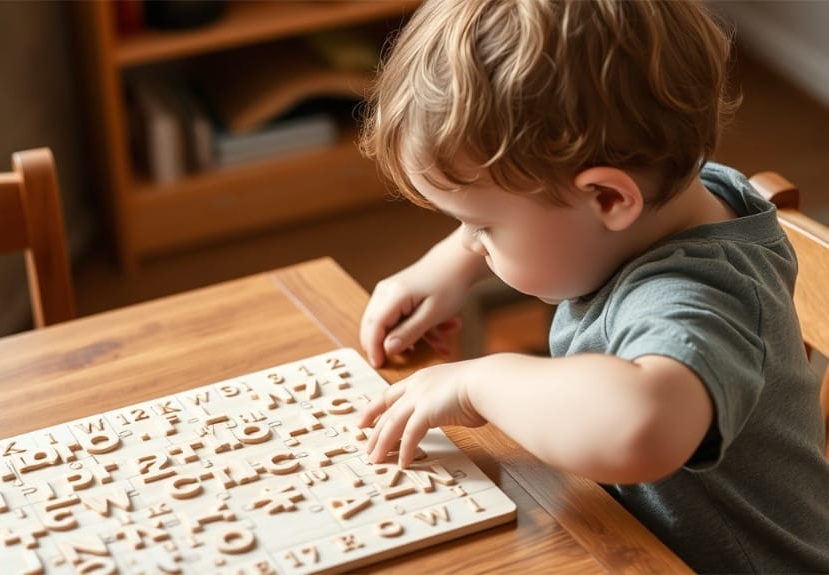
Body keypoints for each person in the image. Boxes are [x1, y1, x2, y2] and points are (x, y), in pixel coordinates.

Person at [354, 0, 829, 572]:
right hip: (629, 538)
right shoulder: (679, 187)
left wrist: (481, 380)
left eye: (483, 227)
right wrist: (450, 266)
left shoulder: (698, 296)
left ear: (608, 198)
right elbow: (554, 211)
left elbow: (640, 426)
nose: (471, 241)